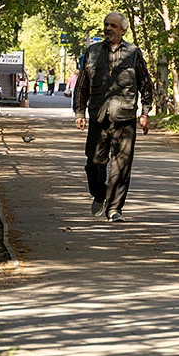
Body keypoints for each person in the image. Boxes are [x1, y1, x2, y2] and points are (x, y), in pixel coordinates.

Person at [73, 12, 154, 222]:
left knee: (122, 166)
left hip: (125, 118)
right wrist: (79, 112)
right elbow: (82, 85)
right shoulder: (92, 52)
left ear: (122, 30)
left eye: (113, 26)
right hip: (98, 118)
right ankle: (100, 194)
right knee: (94, 163)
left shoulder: (134, 53)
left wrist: (145, 113)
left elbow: (146, 85)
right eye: (106, 25)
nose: (108, 29)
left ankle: (115, 209)